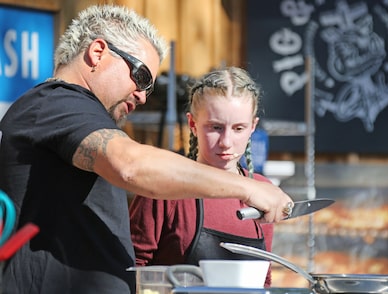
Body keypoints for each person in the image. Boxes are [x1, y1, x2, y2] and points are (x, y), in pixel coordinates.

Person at [0, 4, 294, 294]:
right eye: (140, 77)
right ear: (97, 52)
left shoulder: (74, 113)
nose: (142, 96)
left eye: (149, 87)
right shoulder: (55, 103)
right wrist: (246, 188)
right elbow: (131, 166)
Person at [129, 67, 276, 287]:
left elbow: (263, 280)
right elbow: (133, 269)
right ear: (192, 124)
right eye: (215, 127)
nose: (226, 141)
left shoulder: (263, 193)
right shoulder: (166, 187)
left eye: (238, 128)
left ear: (252, 127)